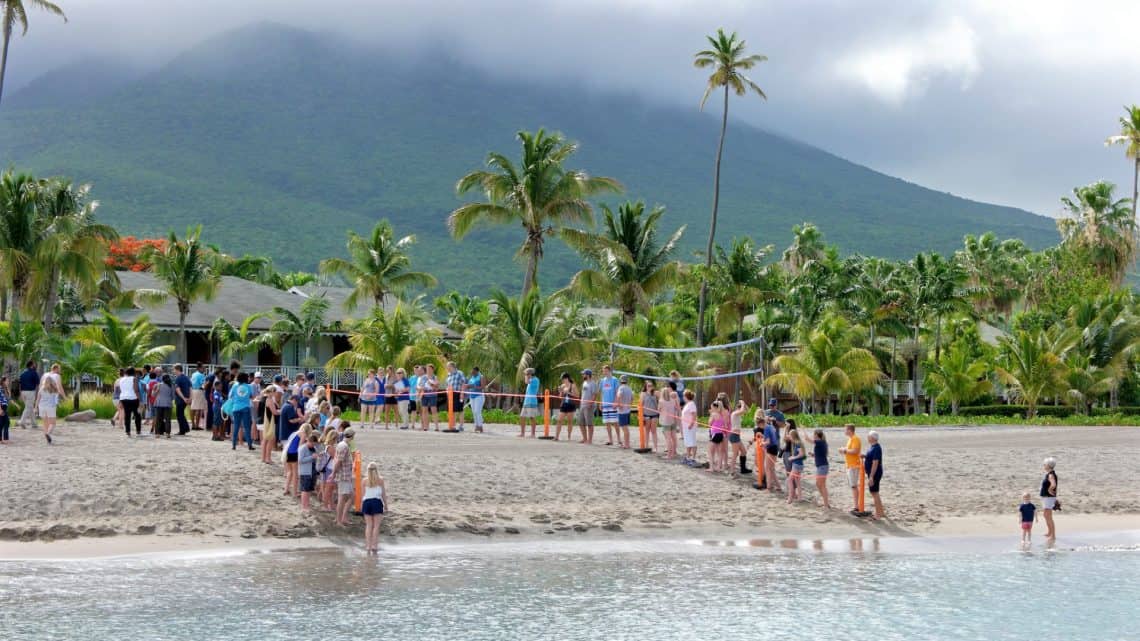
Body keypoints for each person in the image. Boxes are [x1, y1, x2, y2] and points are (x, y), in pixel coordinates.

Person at [362, 461, 388, 554]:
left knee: (369, 525)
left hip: (367, 502)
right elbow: (383, 494)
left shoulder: (364, 480)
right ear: (376, 470)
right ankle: (374, 546)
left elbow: (363, 494)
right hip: (376, 502)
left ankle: (368, 546)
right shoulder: (380, 480)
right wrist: (386, 505)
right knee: (376, 526)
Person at [333, 428, 357, 526]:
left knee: (351, 496)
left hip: (346, 475)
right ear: (351, 436)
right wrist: (333, 473)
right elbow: (339, 461)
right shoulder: (344, 446)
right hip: (344, 476)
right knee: (342, 498)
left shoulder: (342, 445)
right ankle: (339, 520)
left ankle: (343, 518)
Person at [37, 363, 64, 445]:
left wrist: (35, 408)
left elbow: (38, 398)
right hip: (50, 407)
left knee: (45, 422)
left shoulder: (41, 388)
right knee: (53, 423)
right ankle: (48, 433)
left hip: (41, 406)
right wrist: (64, 397)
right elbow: (59, 390)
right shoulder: (54, 389)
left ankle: (46, 436)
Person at [804, 429, 831, 509]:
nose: (813, 436)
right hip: (821, 466)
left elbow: (807, 439)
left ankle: (826, 504)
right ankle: (826, 503)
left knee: (821, 485)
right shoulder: (821, 443)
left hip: (823, 466)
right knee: (820, 485)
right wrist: (813, 454)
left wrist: (803, 429)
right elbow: (820, 454)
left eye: (814, 434)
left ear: (817, 435)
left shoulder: (820, 442)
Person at [838, 424, 862, 509]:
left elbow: (855, 451)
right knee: (852, 486)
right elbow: (849, 450)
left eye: (845, 429)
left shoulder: (855, 438)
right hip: (849, 465)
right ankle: (856, 505)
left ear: (850, 430)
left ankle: (857, 506)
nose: (844, 431)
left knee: (854, 486)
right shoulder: (850, 439)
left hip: (854, 465)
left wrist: (844, 450)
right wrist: (843, 449)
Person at [229, 372, 254, 451]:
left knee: (236, 426)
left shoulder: (235, 385)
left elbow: (230, 396)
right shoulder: (248, 386)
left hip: (236, 408)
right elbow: (251, 396)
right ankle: (250, 445)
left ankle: (234, 445)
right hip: (245, 407)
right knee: (247, 427)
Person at [758, 409, 780, 493]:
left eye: (760, 426)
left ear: (761, 423)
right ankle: (778, 486)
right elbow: (770, 438)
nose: (760, 428)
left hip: (771, 449)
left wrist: (762, 443)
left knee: (767, 469)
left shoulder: (766, 428)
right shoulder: (770, 426)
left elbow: (768, 441)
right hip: (775, 448)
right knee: (772, 469)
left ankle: (769, 488)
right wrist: (763, 437)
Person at [864, 430, 884, 519]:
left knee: (874, 492)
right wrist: (864, 456)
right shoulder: (873, 447)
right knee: (875, 492)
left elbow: (875, 463)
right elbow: (870, 457)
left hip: (875, 473)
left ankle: (878, 514)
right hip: (872, 473)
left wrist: (871, 476)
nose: (867, 438)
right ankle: (881, 512)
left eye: (868, 436)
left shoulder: (876, 448)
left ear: (872, 438)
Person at [598, 366, 620, 446]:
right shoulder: (602, 381)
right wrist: (600, 403)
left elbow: (618, 391)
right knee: (607, 423)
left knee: (615, 422)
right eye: (603, 371)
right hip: (605, 404)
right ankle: (610, 440)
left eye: (606, 371)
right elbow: (601, 393)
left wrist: (615, 402)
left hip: (612, 404)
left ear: (610, 371)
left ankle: (619, 439)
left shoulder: (615, 380)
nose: (604, 372)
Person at [117, 367, 142, 436]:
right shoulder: (134, 379)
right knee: (137, 415)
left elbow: (120, 390)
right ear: (133, 372)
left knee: (127, 415)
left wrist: (120, 400)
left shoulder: (121, 379)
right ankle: (138, 430)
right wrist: (140, 400)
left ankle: (128, 431)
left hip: (124, 398)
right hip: (133, 398)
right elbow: (136, 389)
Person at [729, 400, 751, 474]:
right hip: (734, 435)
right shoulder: (735, 413)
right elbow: (742, 410)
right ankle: (732, 471)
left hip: (737, 435)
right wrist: (742, 403)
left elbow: (748, 411)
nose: (743, 411)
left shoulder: (738, 414)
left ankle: (743, 469)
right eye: (742, 408)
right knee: (735, 454)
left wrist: (744, 404)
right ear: (738, 408)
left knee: (744, 452)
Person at [299, 434, 319, 514]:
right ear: (309, 441)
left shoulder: (314, 448)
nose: (313, 445)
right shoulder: (303, 448)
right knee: (305, 490)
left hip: (312, 471)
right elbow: (300, 460)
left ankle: (307, 505)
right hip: (305, 472)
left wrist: (317, 456)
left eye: (314, 444)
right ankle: (303, 507)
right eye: (312, 443)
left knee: (309, 490)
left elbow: (314, 457)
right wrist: (312, 457)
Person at [658, 381, 679, 459]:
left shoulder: (661, 401)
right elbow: (676, 407)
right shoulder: (673, 400)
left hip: (666, 422)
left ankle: (669, 455)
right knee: (673, 437)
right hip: (672, 420)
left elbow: (658, 410)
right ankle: (674, 452)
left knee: (668, 439)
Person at [261, 381, 281, 464]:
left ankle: (263, 458)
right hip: (270, 421)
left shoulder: (266, 398)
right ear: (272, 392)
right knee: (270, 439)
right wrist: (281, 411)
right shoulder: (269, 400)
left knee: (265, 439)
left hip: (267, 420)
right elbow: (275, 412)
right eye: (274, 392)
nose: (275, 393)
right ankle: (268, 458)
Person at [638, 380, 660, 453]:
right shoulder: (643, 394)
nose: (650, 387)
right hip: (646, 414)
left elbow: (661, 401)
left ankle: (655, 447)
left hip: (654, 415)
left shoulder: (656, 393)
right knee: (647, 431)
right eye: (648, 386)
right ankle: (646, 446)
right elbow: (640, 405)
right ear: (646, 386)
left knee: (654, 431)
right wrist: (641, 416)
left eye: (651, 385)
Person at [786, 427, 806, 503]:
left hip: (797, 465)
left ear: (793, 436)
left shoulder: (797, 443)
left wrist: (793, 458)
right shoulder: (797, 443)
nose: (790, 438)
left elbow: (801, 454)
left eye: (790, 436)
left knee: (790, 480)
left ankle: (790, 498)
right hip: (798, 464)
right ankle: (800, 497)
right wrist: (793, 457)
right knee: (797, 481)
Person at [17, 360, 39, 430]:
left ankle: (34, 424)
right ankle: (22, 422)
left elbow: (19, 384)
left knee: (30, 407)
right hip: (30, 392)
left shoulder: (22, 373)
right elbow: (38, 383)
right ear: (32, 365)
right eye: (34, 364)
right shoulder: (34, 372)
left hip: (23, 392)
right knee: (28, 408)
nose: (35, 365)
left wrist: (20, 393)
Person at [1040, 457, 1059, 541]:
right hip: (1047, 498)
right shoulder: (1050, 474)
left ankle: (1053, 535)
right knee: (1046, 515)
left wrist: (1049, 489)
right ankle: (1050, 532)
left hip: (1048, 498)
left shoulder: (1051, 474)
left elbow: (1053, 484)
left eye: (1044, 464)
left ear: (1048, 465)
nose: (1043, 466)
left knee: (1048, 516)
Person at [555, 373, 578, 441]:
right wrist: (561, 392)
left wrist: (569, 392)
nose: (562, 380)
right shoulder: (562, 386)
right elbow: (560, 397)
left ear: (567, 378)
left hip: (571, 405)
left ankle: (569, 436)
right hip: (564, 404)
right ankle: (556, 436)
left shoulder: (573, 385)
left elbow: (577, 395)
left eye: (563, 379)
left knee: (569, 421)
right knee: (559, 420)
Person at [444, 361, 466, 431]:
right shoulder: (448, 374)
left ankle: (461, 426)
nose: (447, 368)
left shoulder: (460, 373)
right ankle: (452, 425)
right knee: (451, 410)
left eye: (448, 366)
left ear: (452, 366)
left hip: (458, 393)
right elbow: (447, 384)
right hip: (450, 394)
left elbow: (463, 383)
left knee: (459, 410)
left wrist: (462, 394)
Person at [519, 367, 540, 438]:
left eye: (526, 374)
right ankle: (522, 433)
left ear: (530, 374)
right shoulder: (530, 380)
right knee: (522, 417)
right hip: (526, 401)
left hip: (532, 401)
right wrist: (526, 375)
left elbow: (526, 381)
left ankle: (533, 434)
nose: (526, 375)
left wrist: (526, 376)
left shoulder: (535, 380)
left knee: (532, 417)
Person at [707, 400, 728, 472]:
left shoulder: (713, 414)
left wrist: (710, 415)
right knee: (719, 452)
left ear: (714, 407)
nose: (711, 409)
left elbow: (709, 424)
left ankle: (711, 468)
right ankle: (719, 467)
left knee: (710, 451)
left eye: (711, 407)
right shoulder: (721, 415)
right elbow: (725, 426)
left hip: (715, 434)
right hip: (720, 434)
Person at [418, 364, 440, 431]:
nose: (428, 370)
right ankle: (425, 426)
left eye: (430, 369)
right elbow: (419, 386)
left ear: (433, 370)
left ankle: (436, 427)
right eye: (427, 369)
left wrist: (432, 384)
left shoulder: (435, 377)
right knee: (424, 410)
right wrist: (421, 388)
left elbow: (437, 386)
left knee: (434, 410)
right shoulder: (423, 377)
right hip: (424, 394)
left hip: (432, 395)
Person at [153, 373, 174, 438]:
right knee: (168, 419)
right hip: (168, 404)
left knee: (158, 419)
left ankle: (157, 433)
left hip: (159, 403)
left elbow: (153, 395)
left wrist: (157, 390)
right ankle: (168, 433)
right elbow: (173, 397)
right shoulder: (172, 386)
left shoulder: (157, 385)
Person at [680, 389, 698, 466]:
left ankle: (693, 458)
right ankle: (688, 457)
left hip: (690, 426)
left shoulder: (691, 404)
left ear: (686, 396)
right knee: (688, 442)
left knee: (692, 442)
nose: (683, 397)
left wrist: (691, 424)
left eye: (684, 395)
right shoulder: (687, 404)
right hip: (686, 426)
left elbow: (694, 415)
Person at [578, 369, 596, 444]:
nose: (582, 375)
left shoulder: (593, 383)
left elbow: (594, 394)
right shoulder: (584, 382)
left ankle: (590, 440)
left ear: (587, 375)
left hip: (589, 406)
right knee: (581, 423)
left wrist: (590, 403)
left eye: (584, 374)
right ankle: (584, 438)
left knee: (589, 423)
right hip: (582, 405)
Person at [173, 365, 191, 435]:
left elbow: (178, 390)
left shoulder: (178, 378)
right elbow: (190, 388)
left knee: (179, 414)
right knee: (181, 414)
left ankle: (182, 430)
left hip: (181, 399)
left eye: (174, 369)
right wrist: (190, 398)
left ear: (177, 369)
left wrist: (183, 398)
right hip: (186, 398)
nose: (173, 371)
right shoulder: (186, 378)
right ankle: (185, 428)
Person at [615, 375, 634, 449]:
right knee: (626, 428)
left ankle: (627, 444)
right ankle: (627, 443)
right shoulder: (629, 388)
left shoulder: (621, 388)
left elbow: (619, 396)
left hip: (622, 411)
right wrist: (629, 405)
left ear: (620, 381)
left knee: (624, 429)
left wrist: (619, 405)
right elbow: (632, 398)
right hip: (627, 410)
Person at [467, 367, 485, 433]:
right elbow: (469, 386)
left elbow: (483, 387)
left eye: (473, 372)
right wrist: (467, 386)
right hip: (472, 396)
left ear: (477, 371)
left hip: (479, 396)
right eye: (472, 372)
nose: (472, 373)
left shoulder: (481, 377)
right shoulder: (471, 378)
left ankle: (480, 426)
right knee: (474, 412)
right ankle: (476, 426)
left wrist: (474, 387)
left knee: (477, 411)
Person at [190, 363, 207, 430]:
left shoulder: (193, 374)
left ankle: (193, 424)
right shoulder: (201, 375)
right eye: (203, 368)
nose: (204, 369)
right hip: (199, 391)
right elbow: (203, 386)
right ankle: (196, 425)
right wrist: (207, 383)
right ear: (199, 368)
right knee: (198, 409)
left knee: (193, 407)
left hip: (193, 390)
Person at [0, 375, 10, 444]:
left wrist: (16, 405)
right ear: (3, 381)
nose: (8, 382)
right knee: (5, 422)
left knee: (3, 423)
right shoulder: (0, 389)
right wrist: (0, 409)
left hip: (5, 407)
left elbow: (8, 399)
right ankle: (4, 439)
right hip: (1, 407)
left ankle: (2, 439)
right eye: (7, 381)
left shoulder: (5, 389)